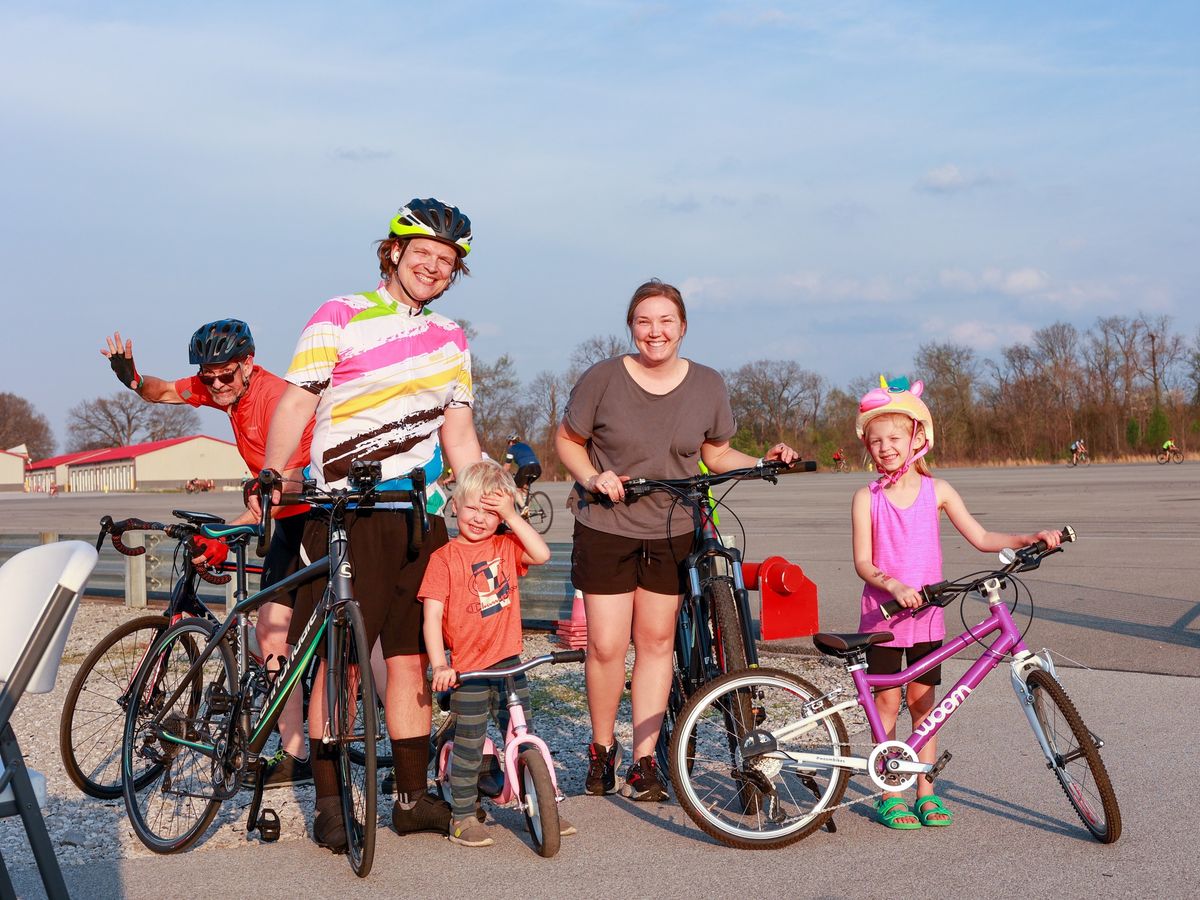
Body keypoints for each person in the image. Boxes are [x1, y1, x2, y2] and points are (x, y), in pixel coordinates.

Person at [258, 198, 482, 853]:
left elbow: (460, 434)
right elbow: (299, 398)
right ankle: (331, 804)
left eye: (447, 262)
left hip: (421, 516)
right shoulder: (340, 315)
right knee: (342, 664)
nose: (434, 268)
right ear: (393, 253)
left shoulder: (452, 337)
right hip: (346, 511)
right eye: (424, 256)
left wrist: (488, 501)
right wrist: (274, 471)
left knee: (411, 662)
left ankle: (410, 799)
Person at [555, 278, 798, 802]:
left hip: (673, 527)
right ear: (631, 327)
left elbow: (715, 454)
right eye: (644, 321)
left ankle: (644, 760)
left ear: (682, 327)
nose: (655, 331)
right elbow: (568, 441)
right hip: (606, 524)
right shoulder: (602, 378)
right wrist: (592, 477)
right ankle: (602, 750)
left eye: (666, 321)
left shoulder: (708, 384)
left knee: (657, 641)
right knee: (605, 645)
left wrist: (762, 461)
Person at [101, 320, 316, 788]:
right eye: (208, 376)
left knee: (289, 636)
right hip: (278, 514)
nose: (215, 385)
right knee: (269, 636)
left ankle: (341, 746)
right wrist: (132, 378)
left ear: (249, 365)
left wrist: (234, 526)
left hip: (309, 517)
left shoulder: (277, 398)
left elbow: (294, 481)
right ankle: (295, 752)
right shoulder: (218, 388)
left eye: (225, 376)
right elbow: (162, 392)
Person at [851, 375, 1061, 829]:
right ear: (867, 446)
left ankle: (925, 790)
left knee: (925, 705)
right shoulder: (865, 499)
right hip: (883, 617)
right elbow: (864, 564)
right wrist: (892, 585)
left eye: (894, 438)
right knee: (887, 704)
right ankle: (890, 791)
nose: (885, 447)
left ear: (917, 438)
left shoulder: (937, 491)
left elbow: (982, 537)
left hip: (927, 618)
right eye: (876, 441)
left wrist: (1030, 537)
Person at [419, 459, 573, 847]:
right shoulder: (444, 559)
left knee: (523, 732)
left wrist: (511, 514)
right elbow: (431, 618)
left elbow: (541, 554)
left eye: (489, 513)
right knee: (470, 742)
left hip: (510, 663)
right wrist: (440, 664)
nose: (479, 518)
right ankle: (463, 815)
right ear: (454, 505)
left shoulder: (506, 546)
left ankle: (541, 801)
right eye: (472, 507)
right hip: (468, 669)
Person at [503, 433, 542, 501]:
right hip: (537, 468)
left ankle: (523, 507)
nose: (508, 445)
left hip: (526, 468)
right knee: (524, 486)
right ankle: (527, 506)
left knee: (516, 488)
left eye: (508, 442)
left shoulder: (511, 449)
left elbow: (507, 466)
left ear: (511, 442)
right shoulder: (526, 446)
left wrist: (500, 473)